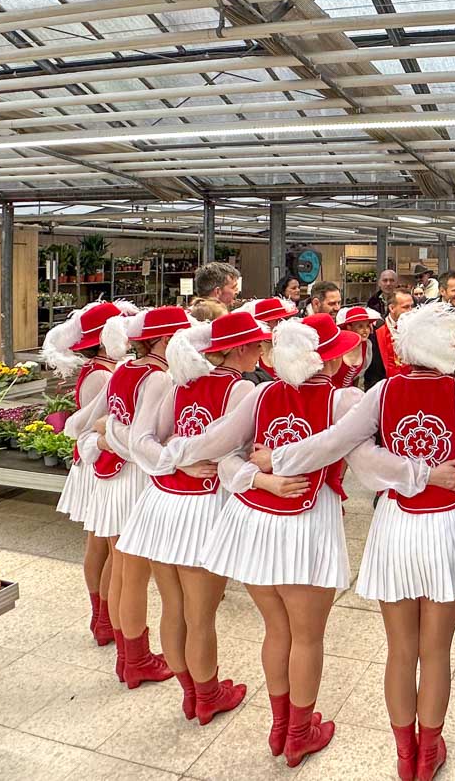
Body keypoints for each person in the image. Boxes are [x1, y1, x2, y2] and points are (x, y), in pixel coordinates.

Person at [248, 303, 455, 781]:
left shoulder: (382, 391)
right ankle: (428, 752)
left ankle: (404, 754)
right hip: (447, 526)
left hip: (396, 527)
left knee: (400, 650)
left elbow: (337, 443)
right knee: (435, 653)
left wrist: (278, 458)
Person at [160, 313, 379, 766]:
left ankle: (280, 726)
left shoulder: (260, 393)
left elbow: (221, 450)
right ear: (328, 359)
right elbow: (359, 461)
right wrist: (274, 473)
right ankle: (298, 732)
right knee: (307, 637)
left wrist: (256, 475)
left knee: (277, 630)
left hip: (253, 522)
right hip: (307, 519)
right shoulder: (345, 400)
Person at [118, 311, 274, 724]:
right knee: (200, 616)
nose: (262, 350)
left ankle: (191, 692)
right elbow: (223, 443)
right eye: (258, 344)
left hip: (160, 503)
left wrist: (172, 460)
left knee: (174, 607)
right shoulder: (242, 389)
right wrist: (184, 459)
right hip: (203, 507)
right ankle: (207, 695)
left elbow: (141, 441)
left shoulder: (180, 383)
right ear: (240, 348)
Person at [78, 306, 197, 688]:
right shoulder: (159, 377)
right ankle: (136, 659)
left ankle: (126, 655)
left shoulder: (124, 369)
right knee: (133, 575)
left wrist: (106, 433)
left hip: (111, 476)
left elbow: (92, 422)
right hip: (137, 477)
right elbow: (140, 439)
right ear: (165, 340)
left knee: (121, 567)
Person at [43, 299, 135, 646]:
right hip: (100, 462)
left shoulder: (103, 368)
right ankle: (104, 616)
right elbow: (102, 421)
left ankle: (102, 616)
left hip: (96, 460)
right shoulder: (101, 374)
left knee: (100, 544)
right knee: (108, 547)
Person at [237, 297, 300, 382]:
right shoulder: (251, 350)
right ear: (265, 323)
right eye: (277, 320)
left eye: (283, 319)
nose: (282, 324)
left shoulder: (291, 346)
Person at [365, 289, 415, 388]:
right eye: (406, 307)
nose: (411, 311)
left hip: (410, 387)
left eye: (412, 306)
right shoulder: (375, 330)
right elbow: (372, 372)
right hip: (382, 388)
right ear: (392, 308)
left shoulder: (417, 330)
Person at [332, 305, 381, 389]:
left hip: (348, 393)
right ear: (349, 327)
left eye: (367, 326)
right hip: (330, 392)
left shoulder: (366, 346)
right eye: (360, 326)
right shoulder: (339, 346)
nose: (365, 330)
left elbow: (357, 377)